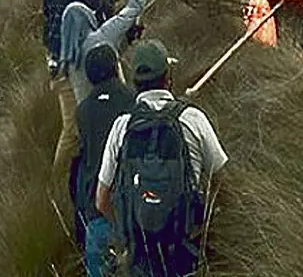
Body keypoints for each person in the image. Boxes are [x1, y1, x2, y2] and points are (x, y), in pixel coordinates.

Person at [97, 39, 228, 277]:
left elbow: (101, 199)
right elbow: (221, 180)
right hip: (185, 251)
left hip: (140, 258)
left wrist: (129, 230)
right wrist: (203, 223)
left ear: (135, 83)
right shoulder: (193, 119)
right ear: (168, 78)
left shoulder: (122, 126)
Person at [53, 0, 155, 174]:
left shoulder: (69, 59)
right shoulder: (100, 37)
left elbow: (103, 60)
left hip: (89, 126)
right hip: (116, 114)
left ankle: (57, 180)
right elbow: (133, 7)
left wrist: (125, 42)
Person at [75, 44, 137, 277]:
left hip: (95, 210)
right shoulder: (132, 101)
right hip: (128, 209)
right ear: (116, 68)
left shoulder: (82, 111)